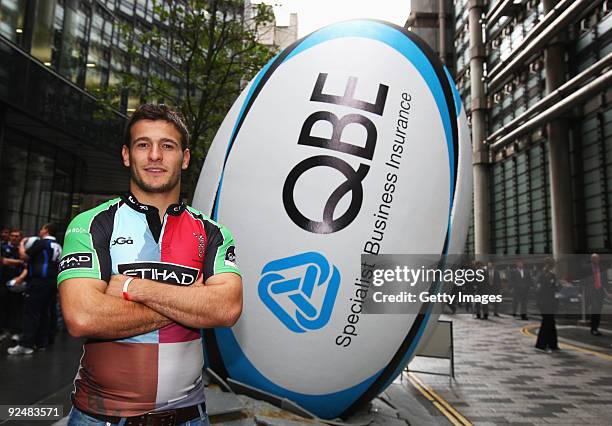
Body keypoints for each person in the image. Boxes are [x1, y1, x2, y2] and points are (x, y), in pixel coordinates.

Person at [58, 104, 242, 426]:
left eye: (167, 146)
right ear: (127, 155)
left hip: (189, 417)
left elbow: (225, 309)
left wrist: (132, 287)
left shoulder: (212, 232)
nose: (155, 155)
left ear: (184, 158)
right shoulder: (90, 224)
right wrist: (191, 300)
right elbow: (82, 316)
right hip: (100, 418)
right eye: (144, 145)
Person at [7, 224, 62, 354]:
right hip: (52, 281)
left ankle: (26, 344)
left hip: (39, 281)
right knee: (45, 312)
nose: (40, 231)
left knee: (30, 312)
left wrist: (22, 244)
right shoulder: (58, 246)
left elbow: (24, 256)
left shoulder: (42, 243)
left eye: (42, 228)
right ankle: (42, 342)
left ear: (46, 230)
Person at [0, 229, 25, 341]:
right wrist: (18, 262)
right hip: (3, 280)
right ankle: (3, 331)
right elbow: (3, 261)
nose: (14, 238)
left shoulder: (22, 249)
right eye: (12, 236)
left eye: (17, 236)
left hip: (17, 281)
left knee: (16, 307)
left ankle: (15, 331)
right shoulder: (3, 247)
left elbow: (26, 262)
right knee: (3, 307)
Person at [535, 257, 560, 353]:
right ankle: (541, 345)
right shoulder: (542, 275)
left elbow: (555, 289)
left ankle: (553, 344)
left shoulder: (552, 275)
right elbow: (539, 290)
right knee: (546, 323)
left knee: (551, 323)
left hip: (551, 302)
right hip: (545, 303)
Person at [588, 253, 609, 336]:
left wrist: (607, 292)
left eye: (598, 258)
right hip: (592, 291)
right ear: (592, 259)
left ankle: (595, 327)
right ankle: (593, 328)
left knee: (598, 310)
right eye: (595, 258)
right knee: (595, 309)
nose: (597, 260)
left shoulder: (602, 268)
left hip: (600, 291)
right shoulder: (588, 268)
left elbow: (605, 281)